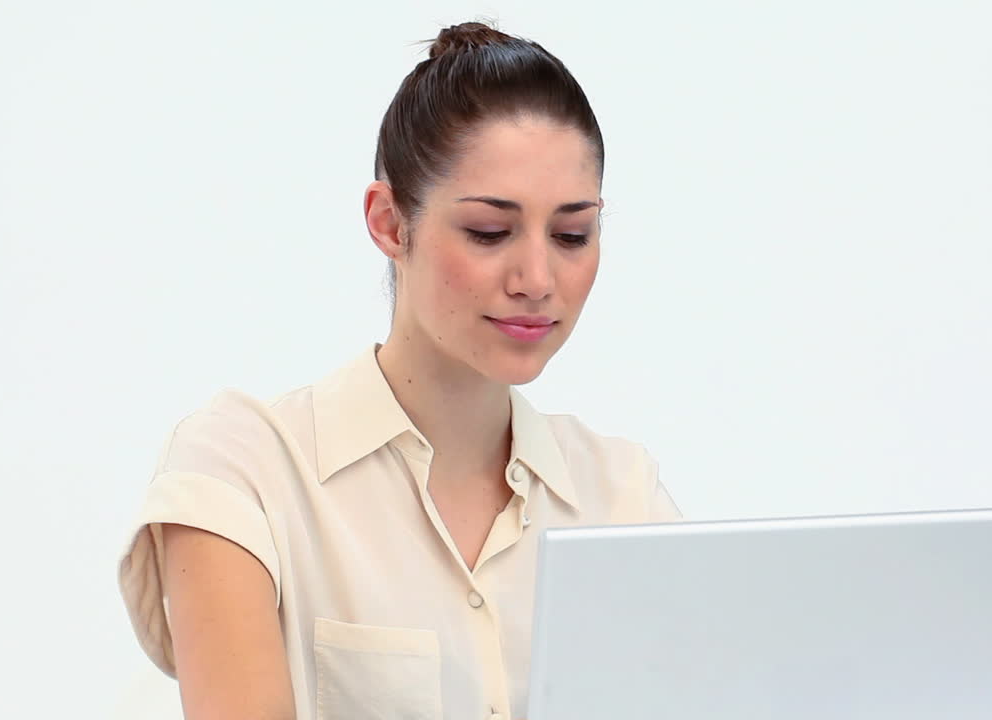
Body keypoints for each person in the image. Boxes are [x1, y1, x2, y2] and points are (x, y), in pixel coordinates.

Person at [117, 20, 683, 720]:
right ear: (390, 223)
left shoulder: (623, 499)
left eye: (572, 234)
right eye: (488, 231)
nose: (538, 278)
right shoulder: (247, 472)